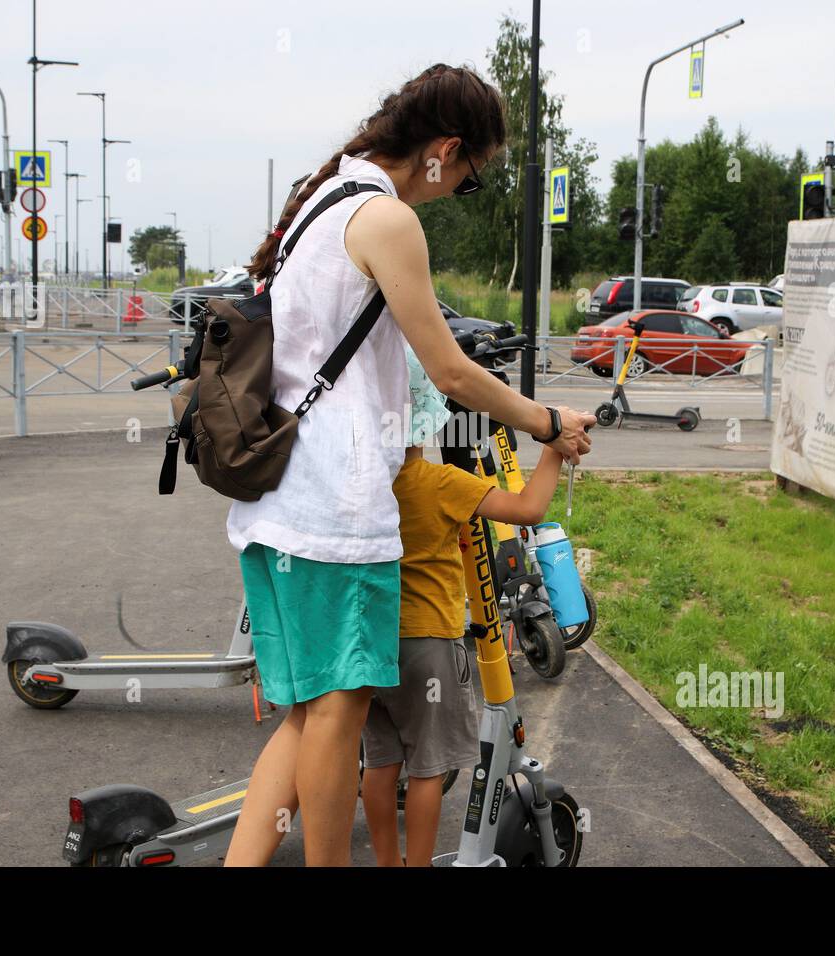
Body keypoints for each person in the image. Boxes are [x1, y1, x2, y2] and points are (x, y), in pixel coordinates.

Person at [225, 63, 595, 867]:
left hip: (275, 505)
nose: (457, 190)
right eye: (468, 178)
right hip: (334, 511)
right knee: (336, 717)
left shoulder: (318, 206)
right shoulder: (386, 221)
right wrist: (550, 421)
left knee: (303, 715)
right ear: (445, 149)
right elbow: (453, 372)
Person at [360, 347, 565, 866]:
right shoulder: (441, 483)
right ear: (426, 424)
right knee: (428, 770)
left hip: (370, 641)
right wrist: (556, 451)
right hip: (429, 645)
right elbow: (528, 509)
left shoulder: (364, 484)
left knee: (380, 765)